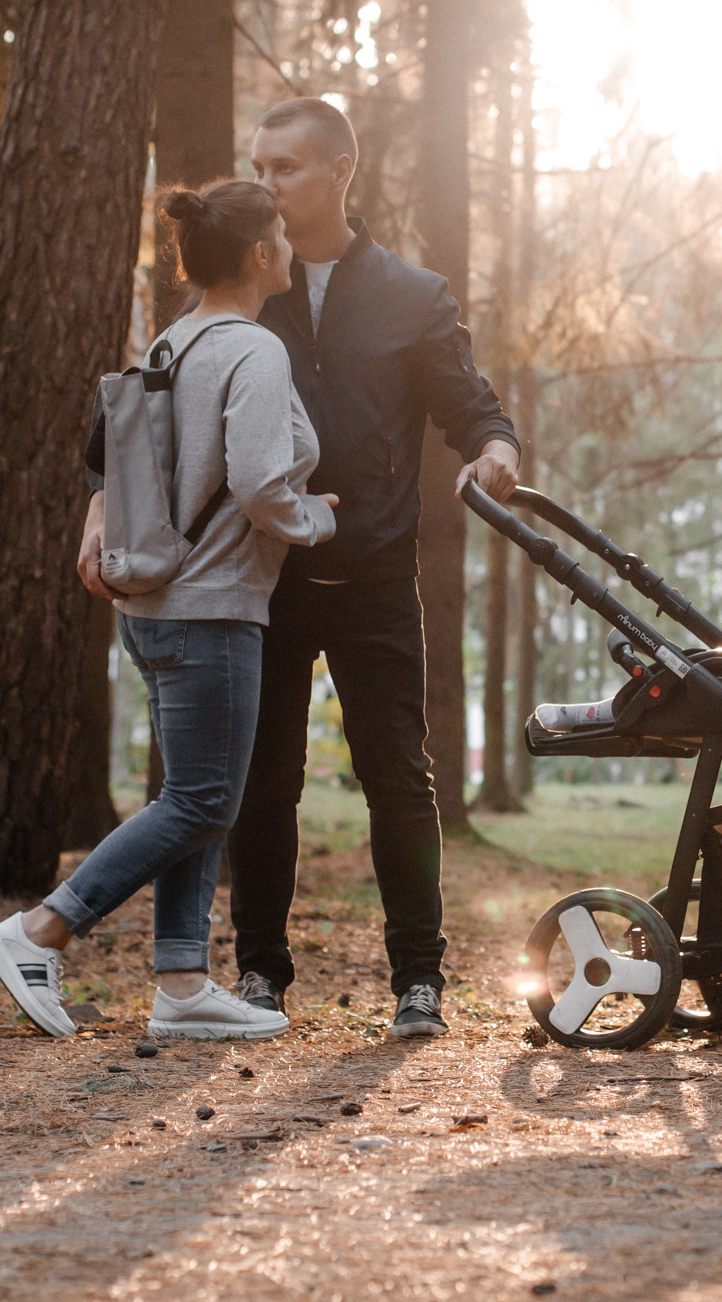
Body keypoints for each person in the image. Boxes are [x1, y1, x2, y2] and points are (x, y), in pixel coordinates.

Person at [0, 180, 337, 1042]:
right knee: (208, 799)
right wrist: (316, 518)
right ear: (260, 253)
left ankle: (181, 982)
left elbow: (115, 461)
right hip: (212, 603)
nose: (289, 245)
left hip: (154, 601)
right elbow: (256, 482)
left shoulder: (170, 344)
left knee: (195, 790)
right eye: (280, 234)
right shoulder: (254, 350)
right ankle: (41, 929)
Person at [226, 97, 519, 1040]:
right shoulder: (238, 287)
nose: (265, 185)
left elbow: (469, 406)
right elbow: (161, 392)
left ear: (340, 170)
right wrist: (106, 502)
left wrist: (495, 447)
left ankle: (418, 983)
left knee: (399, 777)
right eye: (259, 167)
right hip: (260, 578)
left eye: (285, 169)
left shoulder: (411, 293)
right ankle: (260, 978)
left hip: (377, 579)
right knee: (264, 781)